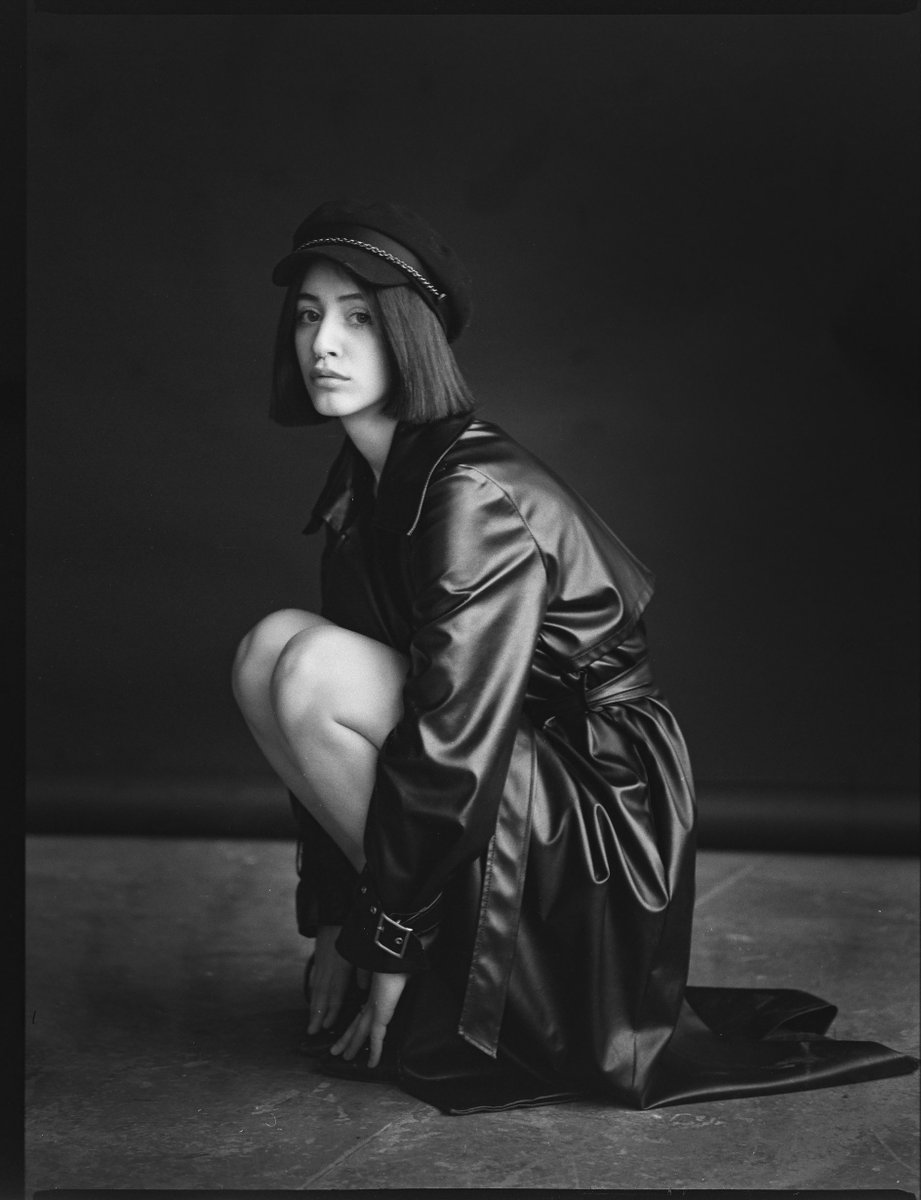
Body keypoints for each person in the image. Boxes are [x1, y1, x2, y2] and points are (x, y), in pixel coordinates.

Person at [231, 198, 916, 1114]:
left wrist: (383, 942)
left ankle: (430, 946)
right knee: (268, 650)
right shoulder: (366, 479)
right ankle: (418, 925)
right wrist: (330, 921)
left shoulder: (468, 491)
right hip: (507, 772)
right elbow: (380, 741)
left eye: (359, 317)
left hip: (597, 802)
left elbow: (453, 742)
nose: (324, 342)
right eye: (310, 315)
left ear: (409, 335)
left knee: (309, 667)